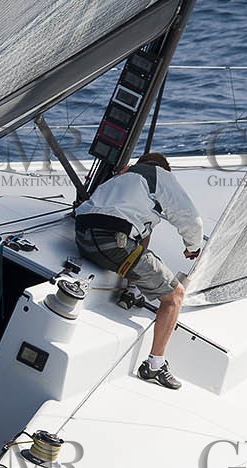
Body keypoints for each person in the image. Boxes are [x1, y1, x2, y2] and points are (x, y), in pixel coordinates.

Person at [73, 151, 204, 390]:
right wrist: (192, 248)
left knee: (145, 225)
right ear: (164, 169)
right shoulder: (159, 175)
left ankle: (130, 288)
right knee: (175, 296)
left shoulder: (119, 178)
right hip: (112, 243)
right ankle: (154, 366)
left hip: (82, 238)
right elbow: (191, 219)